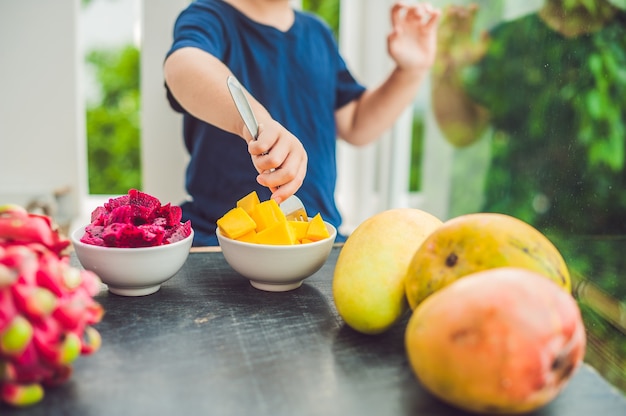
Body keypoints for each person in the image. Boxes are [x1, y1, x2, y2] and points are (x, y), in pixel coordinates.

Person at [163, 0, 440, 246]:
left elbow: (355, 124)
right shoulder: (209, 15)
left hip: (314, 240)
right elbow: (184, 65)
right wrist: (257, 123)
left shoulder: (317, 33)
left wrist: (409, 71)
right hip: (220, 239)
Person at [431, 0, 626, 237]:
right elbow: (462, 133)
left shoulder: (619, 38)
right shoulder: (507, 38)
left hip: (606, 243)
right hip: (511, 230)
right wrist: (447, 68)